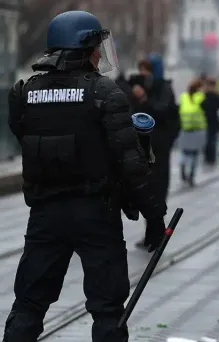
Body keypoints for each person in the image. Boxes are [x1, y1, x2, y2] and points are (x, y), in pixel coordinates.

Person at [3, 11, 167, 342]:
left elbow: (27, 141)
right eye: (95, 47)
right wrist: (154, 213)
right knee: (107, 308)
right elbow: (131, 163)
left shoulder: (24, 93)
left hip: (45, 214)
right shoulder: (104, 93)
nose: (98, 54)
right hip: (96, 213)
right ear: (82, 48)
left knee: (29, 303)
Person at [130, 55, 178, 250]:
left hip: (158, 149)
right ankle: (151, 233)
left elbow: (164, 112)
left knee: (157, 190)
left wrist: (144, 99)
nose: (143, 74)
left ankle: (156, 234)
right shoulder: (137, 88)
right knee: (144, 190)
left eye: (147, 70)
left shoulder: (163, 89)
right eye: (141, 70)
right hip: (141, 148)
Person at [177, 79, 207, 186]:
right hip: (197, 129)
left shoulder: (183, 97)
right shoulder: (201, 97)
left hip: (185, 128)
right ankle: (191, 176)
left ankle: (182, 169)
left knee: (184, 152)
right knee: (195, 154)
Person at [203, 77, 219, 165]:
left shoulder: (204, 95)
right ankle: (211, 158)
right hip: (214, 120)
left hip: (204, 119)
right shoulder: (217, 95)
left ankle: (207, 157)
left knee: (207, 139)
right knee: (212, 139)